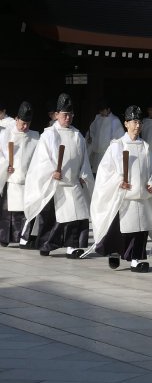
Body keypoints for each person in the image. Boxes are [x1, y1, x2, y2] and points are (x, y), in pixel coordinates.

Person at [89, 105, 152, 272]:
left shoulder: (145, 147)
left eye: (140, 123)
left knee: (140, 230)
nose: (137, 126)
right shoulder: (116, 146)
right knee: (119, 230)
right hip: (123, 197)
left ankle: (137, 258)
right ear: (126, 123)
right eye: (134, 122)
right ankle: (114, 252)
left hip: (141, 195)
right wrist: (118, 181)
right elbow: (105, 171)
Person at [23, 93, 93, 259]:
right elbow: (41, 160)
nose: (67, 118)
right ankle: (46, 244)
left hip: (73, 182)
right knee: (53, 218)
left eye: (70, 115)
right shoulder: (48, 135)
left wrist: (83, 174)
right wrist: (51, 171)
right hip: (55, 184)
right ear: (57, 115)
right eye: (64, 115)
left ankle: (72, 246)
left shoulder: (77, 135)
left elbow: (84, 159)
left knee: (76, 217)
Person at [0, 102, 39, 248]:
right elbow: (1, 155)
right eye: (23, 123)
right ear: (16, 119)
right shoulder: (6, 134)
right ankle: (4, 237)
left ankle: (25, 238)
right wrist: (5, 166)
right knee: (9, 211)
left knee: (25, 212)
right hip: (11, 179)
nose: (25, 127)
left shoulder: (35, 137)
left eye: (28, 124)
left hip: (28, 181)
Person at [86, 100, 124, 170]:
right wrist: (90, 138)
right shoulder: (97, 119)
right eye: (100, 111)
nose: (101, 113)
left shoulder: (114, 120)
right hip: (96, 154)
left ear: (108, 109)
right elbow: (91, 131)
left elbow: (119, 137)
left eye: (103, 110)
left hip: (108, 154)